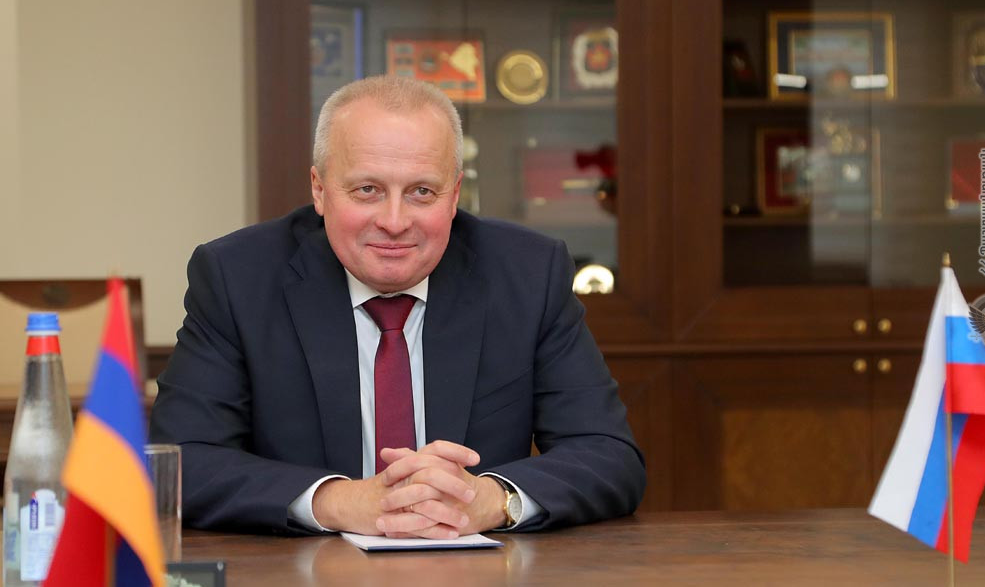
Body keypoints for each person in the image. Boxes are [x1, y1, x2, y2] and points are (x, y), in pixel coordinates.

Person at [150, 75, 645, 538]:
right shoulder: (238, 277)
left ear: (455, 194)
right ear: (319, 190)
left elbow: (608, 454)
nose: (393, 221)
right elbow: (180, 461)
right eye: (367, 190)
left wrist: (490, 500)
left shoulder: (528, 274)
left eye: (421, 192)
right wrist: (337, 501)